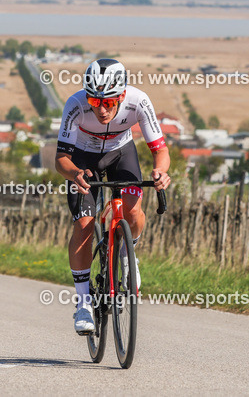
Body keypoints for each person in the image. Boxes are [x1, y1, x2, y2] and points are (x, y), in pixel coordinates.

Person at [55, 58, 170, 335]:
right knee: (84, 224)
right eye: (95, 102)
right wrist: (74, 175)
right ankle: (83, 304)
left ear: (121, 96)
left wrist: (161, 172)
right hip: (83, 159)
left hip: (121, 153)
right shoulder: (75, 104)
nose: (102, 110)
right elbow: (61, 159)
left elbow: (160, 150)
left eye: (108, 103)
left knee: (131, 209)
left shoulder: (139, 101)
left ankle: (128, 256)